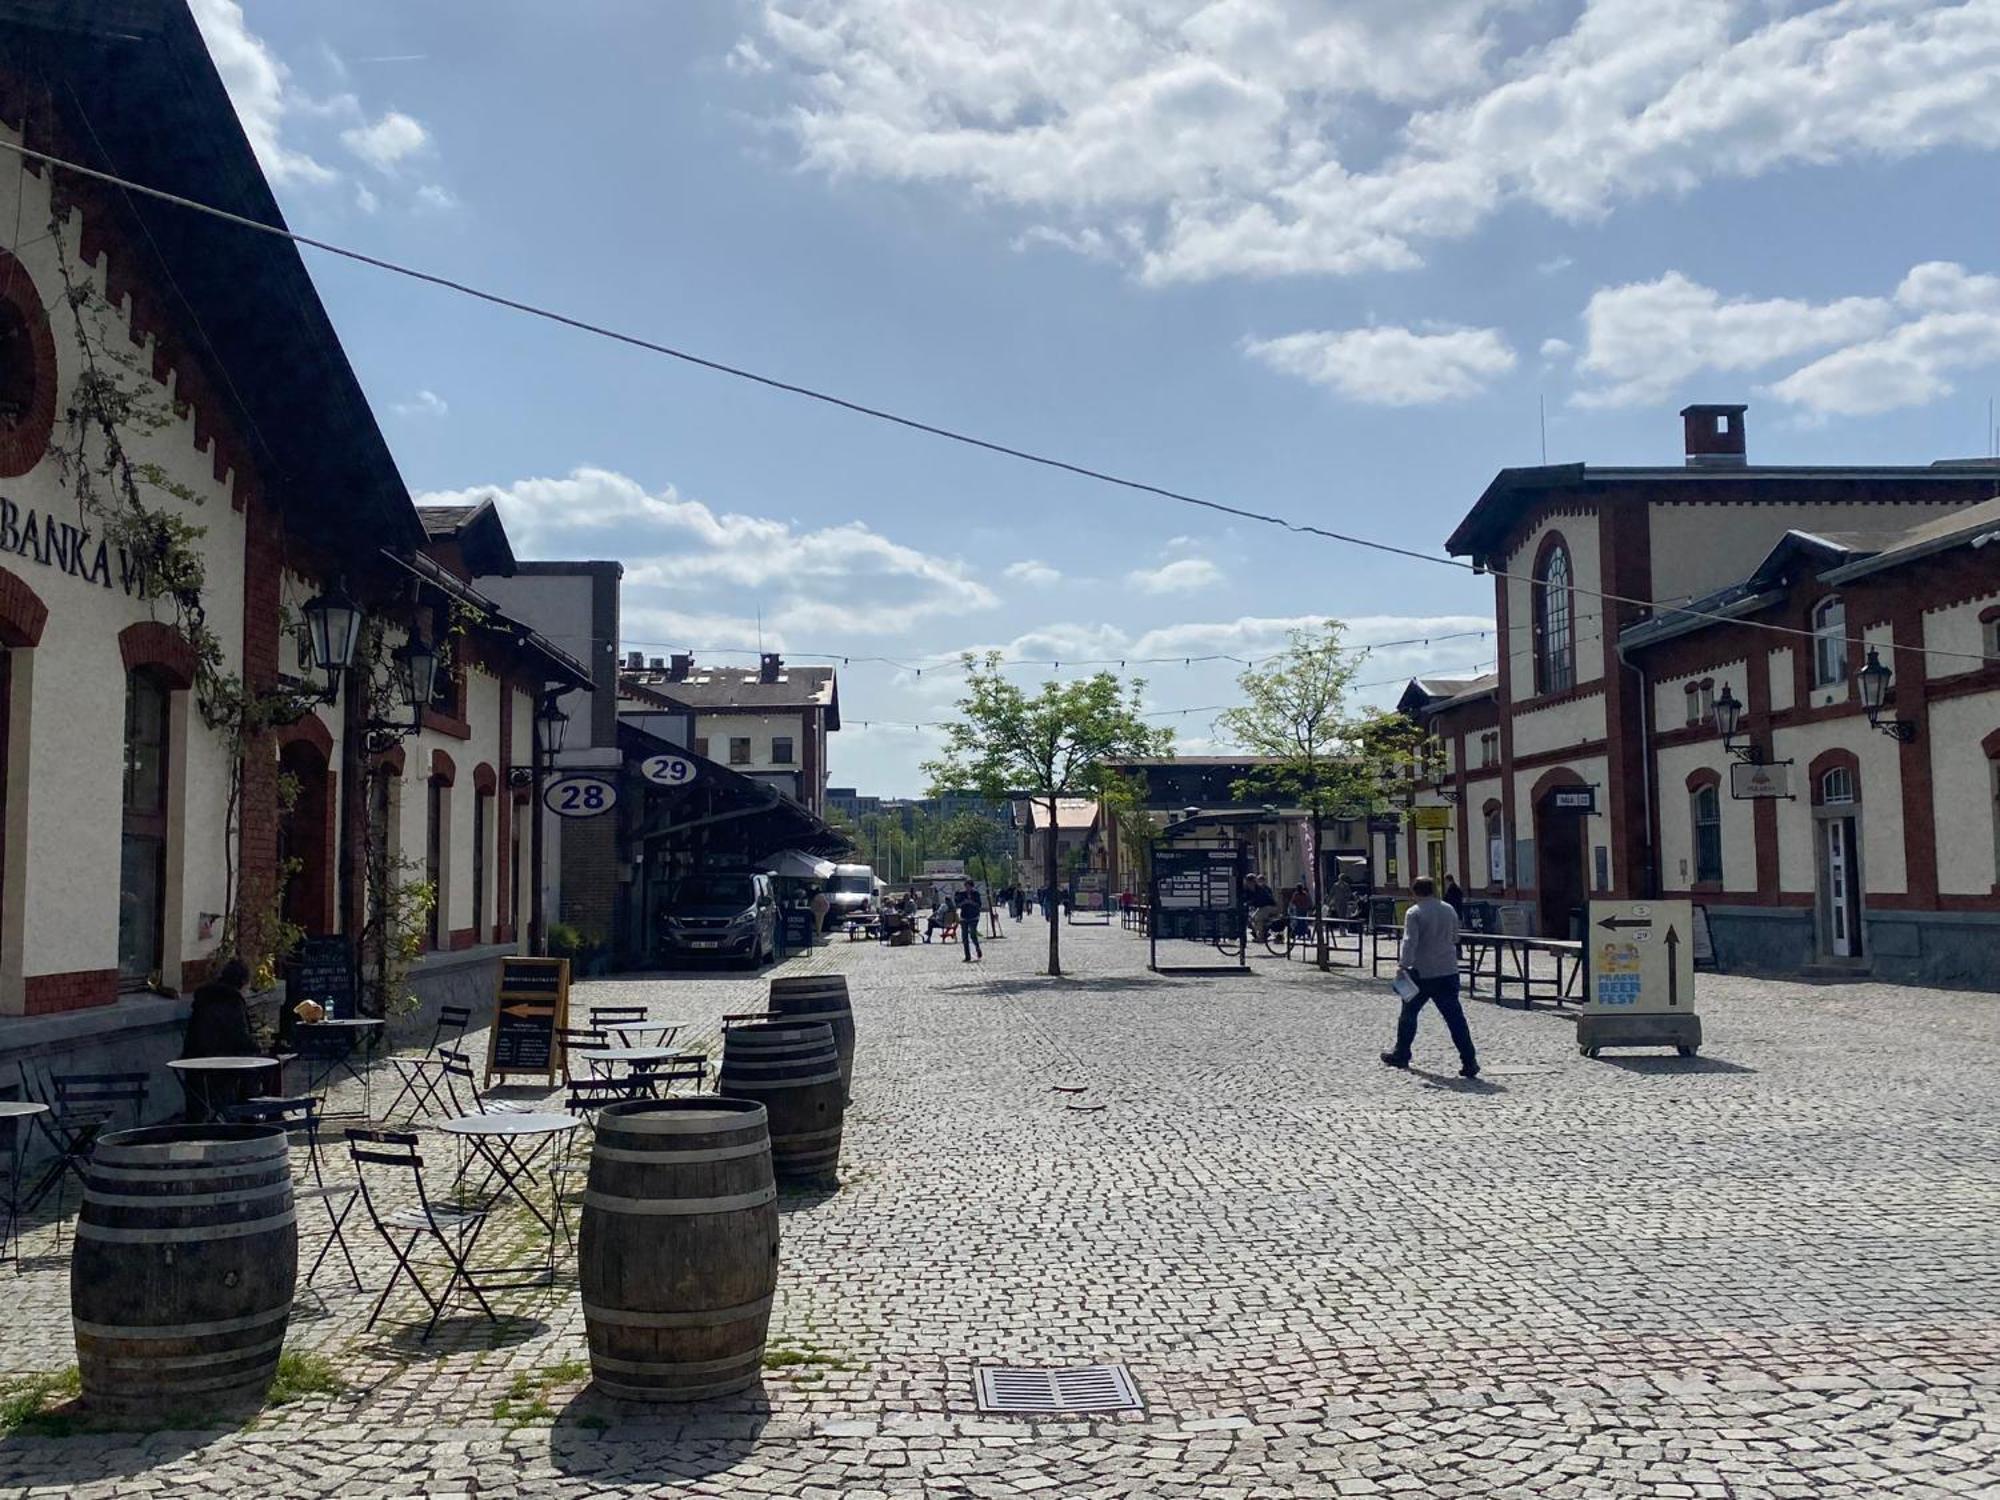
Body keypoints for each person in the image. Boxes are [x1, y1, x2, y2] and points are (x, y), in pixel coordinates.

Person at [1382, 876, 1478, 1079]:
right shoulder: (1449, 909)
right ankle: (1469, 1060)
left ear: (1414, 892)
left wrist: (1402, 965)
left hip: (1421, 972)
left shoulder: (1414, 912)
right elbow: (1455, 937)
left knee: (1409, 1014)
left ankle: (1402, 1053)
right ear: (1433, 890)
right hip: (1448, 970)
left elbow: (1410, 942)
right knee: (1455, 1019)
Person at [180, 958, 259, 1121]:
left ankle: (200, 1120)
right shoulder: (233, 1001)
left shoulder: (204, 998)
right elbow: (240, 1036)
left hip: (194, 1059)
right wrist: (257, 1046)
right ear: (243, 982)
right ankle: (249, 1117)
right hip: (222, 1062)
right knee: (256, 1069)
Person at [956, 879, 984, 962]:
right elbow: (958, 904)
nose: (967, 888)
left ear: (972, 886)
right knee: (964, 937)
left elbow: (979, 905)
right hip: (964, 916)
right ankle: (967, 956)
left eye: (969, 886)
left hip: (974, 916)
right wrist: (963, 903)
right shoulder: (962, 894)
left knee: (972, 934)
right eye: (966, 886)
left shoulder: (976, 894)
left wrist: (971, 902)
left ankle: (977, 948)